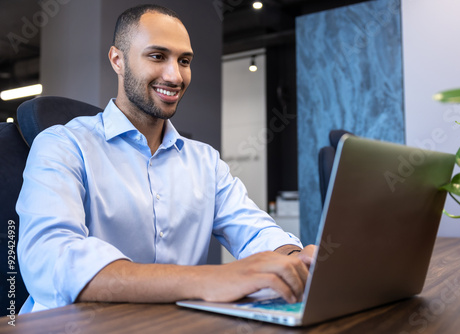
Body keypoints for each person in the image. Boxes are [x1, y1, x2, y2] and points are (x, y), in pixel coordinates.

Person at [16, 4, 315, 314]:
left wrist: (294, 258)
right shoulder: (61, 145)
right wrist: (209, 280)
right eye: (157, 56)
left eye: (184, 61)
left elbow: (254, 231)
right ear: (118, 60)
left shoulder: (205, 161)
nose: (175, 76)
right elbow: (51, 260)